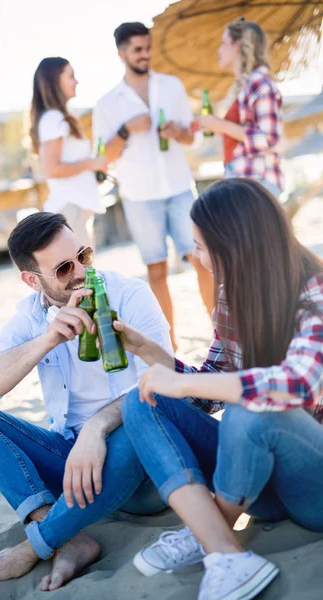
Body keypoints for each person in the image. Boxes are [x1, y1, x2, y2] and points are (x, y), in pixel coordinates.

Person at [0, 212, 173, 599]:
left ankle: (30, 548)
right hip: (74, 464)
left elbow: (162, 383)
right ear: (32, 280)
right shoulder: (31, 316)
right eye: (62, 268)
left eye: (83, 256)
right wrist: (46, 340)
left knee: (139, 416)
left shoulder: (129, 294)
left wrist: (97, 428)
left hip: (139, 463)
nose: (79, 272)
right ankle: (64, 537)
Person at [117, 178, 323, 600]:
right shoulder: (232, 296)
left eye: (203, 245)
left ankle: (210, 528)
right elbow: (210, 385)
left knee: (252, 408)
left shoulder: (315, 292)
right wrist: (154, 356)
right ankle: (222, 547)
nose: (197, 256)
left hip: (312, 485)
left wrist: (184, 380)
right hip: (254, 484)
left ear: (237, 244)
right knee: (143, 403)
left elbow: (298, 384)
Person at [93, 22, 214, 351]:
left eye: (147, 48)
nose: (145, 55)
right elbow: (103, 158)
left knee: (203, 260)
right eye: (137, 49)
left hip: (178, 187)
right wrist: (126, 129)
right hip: (139, 196)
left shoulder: (172, 86)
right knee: (156, 271)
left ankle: (221, 334)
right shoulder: (107, 105)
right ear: (121, 54)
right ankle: (169, 347)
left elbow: (193, 136)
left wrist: (179, 131)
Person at [194, 18, 284, 198]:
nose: (218, 50)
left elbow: (268, 139)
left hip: (257, 182)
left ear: (238, 45)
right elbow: (241, 138)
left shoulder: (260, 84)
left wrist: (219, 125)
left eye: (223, 43)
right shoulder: (244, 87)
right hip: (243, 179)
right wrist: (214, 126)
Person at [30, 57, 107, 247]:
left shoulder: (58, 118)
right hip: (70, 209)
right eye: (71, 76)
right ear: (55, 81)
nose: (77, 82)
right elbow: (52, 169)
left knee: (86, 273)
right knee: (85, 274)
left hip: (76, 209)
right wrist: (92, 163)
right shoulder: (53, 119)